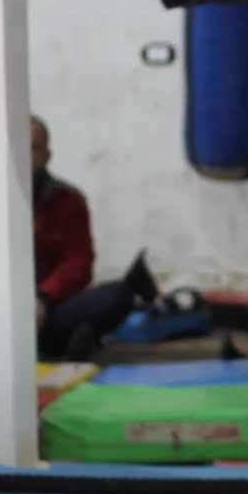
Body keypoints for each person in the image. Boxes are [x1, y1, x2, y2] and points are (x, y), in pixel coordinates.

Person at [30, 115, 159, 361]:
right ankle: (59, 345)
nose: (22, 155)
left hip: (50, 309)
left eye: (32, 148)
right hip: (2, 312)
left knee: (118, 294)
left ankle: (54, 343)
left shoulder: (66, 200)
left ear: (47, 155)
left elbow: (78, 263)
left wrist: (42, 298)